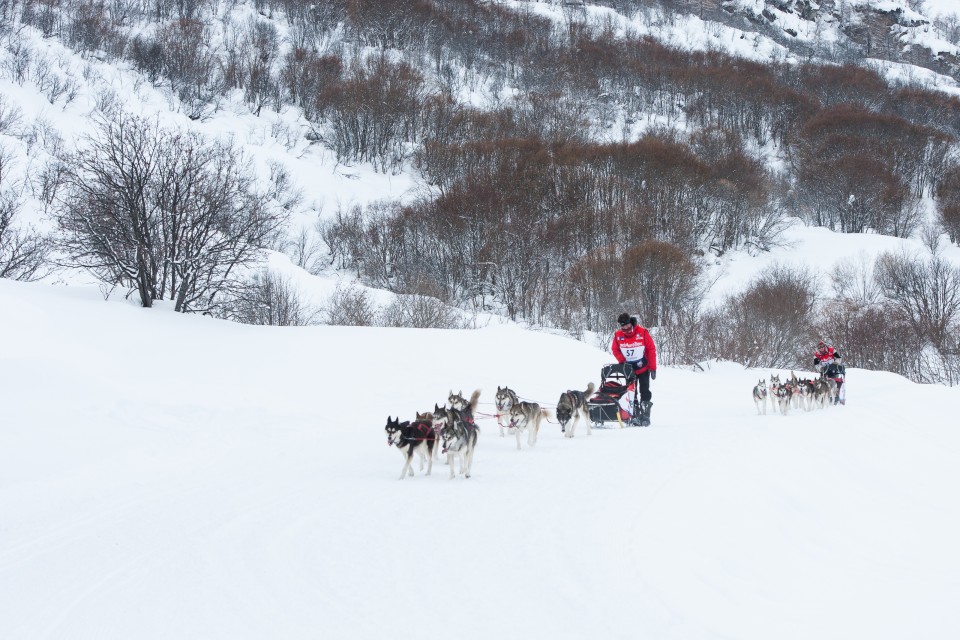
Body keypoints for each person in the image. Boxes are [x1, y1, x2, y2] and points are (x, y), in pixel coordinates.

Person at [612, 312, 657, 426]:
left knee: (645, 390)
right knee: (632, 392)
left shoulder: (642, 332)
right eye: (623, 328)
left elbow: (651, 349)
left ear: (630, 323)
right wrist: (622, 361)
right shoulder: (618, 335)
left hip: (643, 367)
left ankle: (645, 415)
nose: (626, 330)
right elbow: (615, 349)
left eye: (628, 327)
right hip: (629, 369)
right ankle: (634, 414)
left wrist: (653, 367)